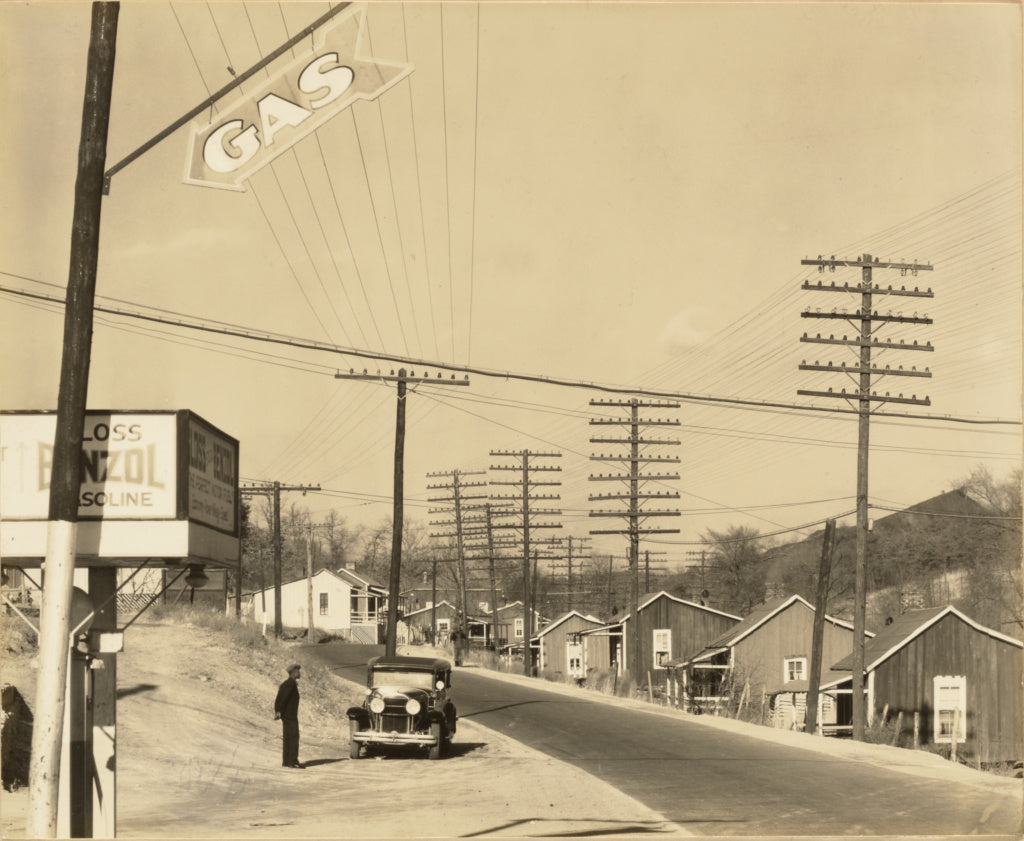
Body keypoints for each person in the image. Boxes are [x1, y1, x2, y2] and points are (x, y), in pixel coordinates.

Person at [274, 664, 304, 768]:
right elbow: (283, 698)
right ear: (294, 672)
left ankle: (286, 762)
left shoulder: (288, 683)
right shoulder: (290, 684)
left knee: (287, 737)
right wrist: (279, 710)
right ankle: (292, 761)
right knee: (293, 737)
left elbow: (280, 698)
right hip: (290, 715)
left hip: (286, 715)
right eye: (298, 671)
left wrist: (278, 711)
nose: (300, 673)